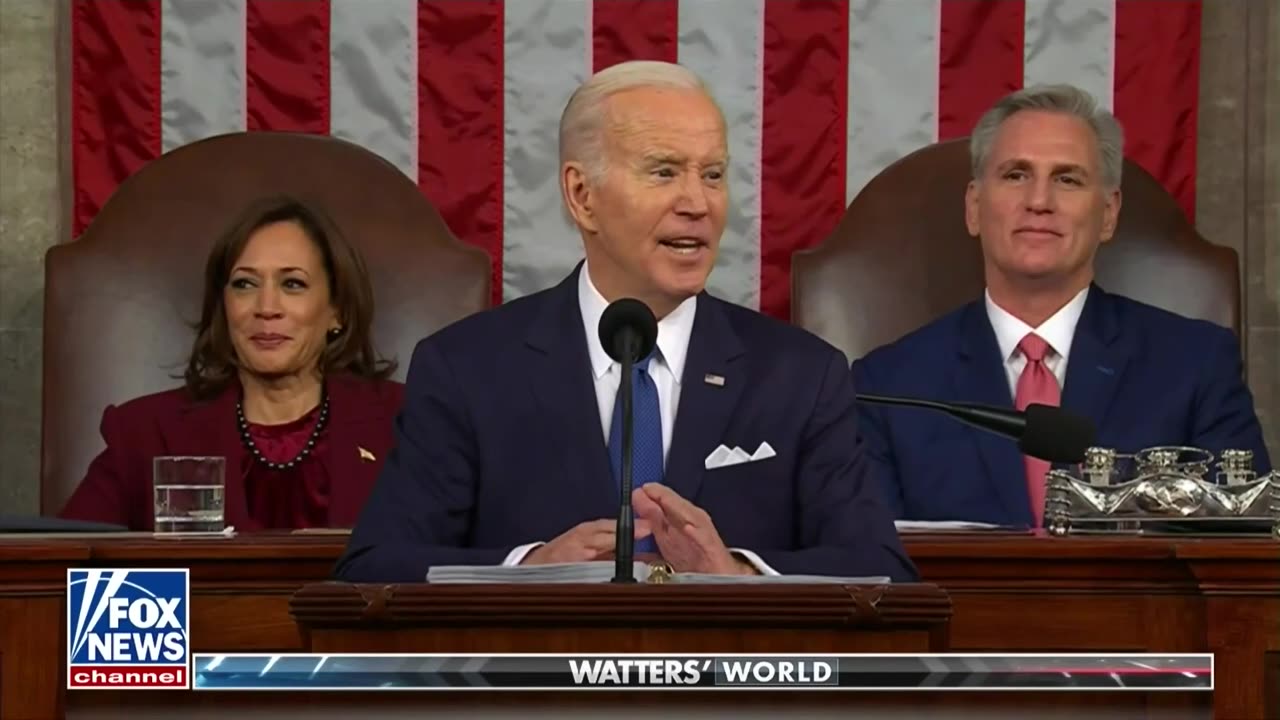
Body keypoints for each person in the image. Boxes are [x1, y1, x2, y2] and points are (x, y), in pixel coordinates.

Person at [335, 61, 915, 583]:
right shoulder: (467, 369)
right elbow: (374, 566)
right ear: (582, 195)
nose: (699, 202)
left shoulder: (801, 375)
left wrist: (738, 573)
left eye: (713, 175)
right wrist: (528, 569)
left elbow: (880, 571)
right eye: (664, 172)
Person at [850, 84, 1272, 528]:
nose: (1039, 202)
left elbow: (1242, 551)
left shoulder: (1195, 365)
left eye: (1067, 179)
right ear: (975, 207)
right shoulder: (889, 384)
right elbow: (874, 568)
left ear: (1108, 214)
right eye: (1016, 175)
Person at [60, 196, 405, 531]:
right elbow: (68, 580)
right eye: (244, 284)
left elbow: (442, 573)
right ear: (223, 307)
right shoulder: (147, 433)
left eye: (293, 284)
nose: (266, 307)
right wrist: (180, 591)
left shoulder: (404, 424)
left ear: (337, 310)